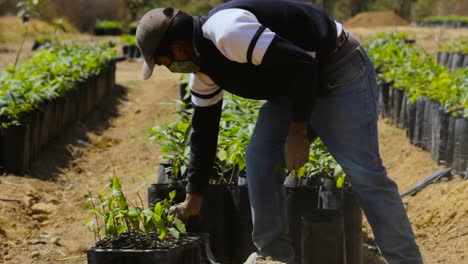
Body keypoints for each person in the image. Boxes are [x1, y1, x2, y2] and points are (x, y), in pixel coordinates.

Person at [136, 0, 423, 263]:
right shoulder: (204, 70)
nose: (168, 68)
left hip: (337, 69)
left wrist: (298, 131)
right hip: (294, 84)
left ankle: (405, 260)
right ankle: (273, 255)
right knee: (260, 158)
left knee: (364, 174)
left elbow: (302, 64)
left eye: (163, 62)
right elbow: (204, 130)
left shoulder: (227, 31)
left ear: (178, 47)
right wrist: (194, 197)